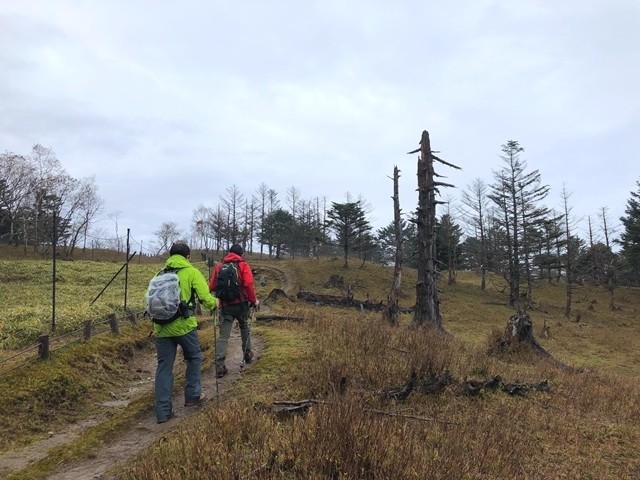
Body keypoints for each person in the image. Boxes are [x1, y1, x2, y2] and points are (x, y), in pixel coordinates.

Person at [150, 242, 218, 424]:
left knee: (164, 367)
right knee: (194, 357)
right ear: (188, 256)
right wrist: (215, 304)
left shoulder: (160, 274)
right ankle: (193, 396)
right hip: (184, 326)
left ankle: (163, 411)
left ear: (170, 255)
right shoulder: (192, 272)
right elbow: (205, 298)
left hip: (162, 327)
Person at [209, 243, 259, 378]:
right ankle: (247, 354)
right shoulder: (243, 265)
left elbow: (212, 286)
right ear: (241, 254)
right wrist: (254, 301)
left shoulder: (219, 266)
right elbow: (248, 284)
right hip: (242, 304)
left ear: (229, 252)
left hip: (225, 306)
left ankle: (220, 364)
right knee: (244, 327)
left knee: (224, 335)